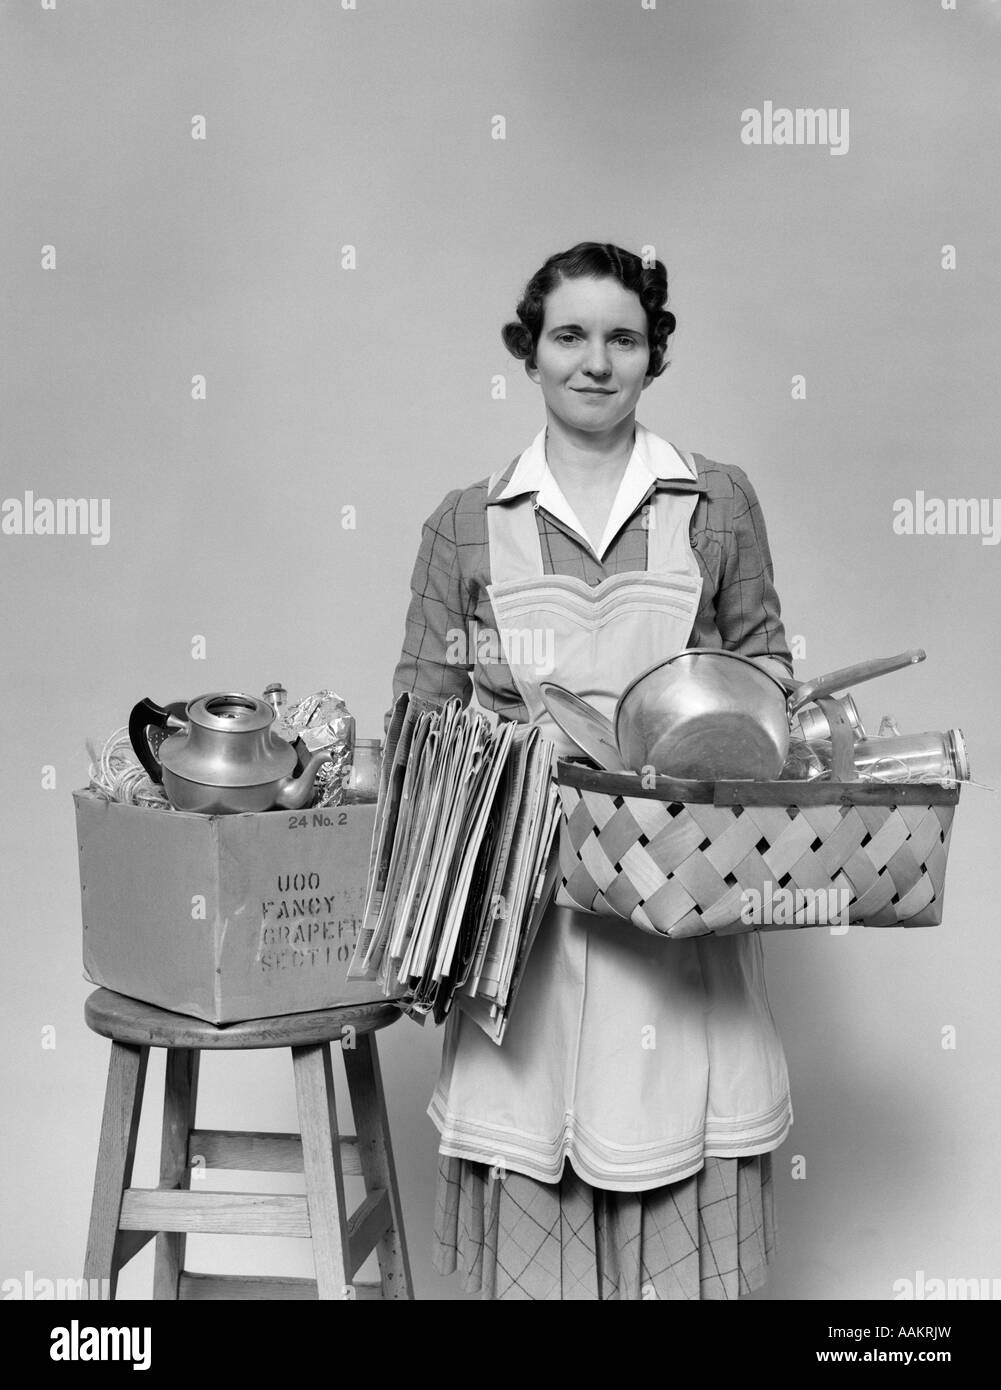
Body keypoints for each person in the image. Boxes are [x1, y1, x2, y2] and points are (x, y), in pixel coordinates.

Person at [389, 242, 794, 1301]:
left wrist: (727, 745)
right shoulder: (466, 524)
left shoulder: (715, 503)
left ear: (653, 354)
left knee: (673, 1123)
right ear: (529, 351)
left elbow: (766, 671)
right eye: (569, 335)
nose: (595, 361)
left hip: (679, 905)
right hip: (525, 922)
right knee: (540, 1142)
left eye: (622, 337)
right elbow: (422, 714)